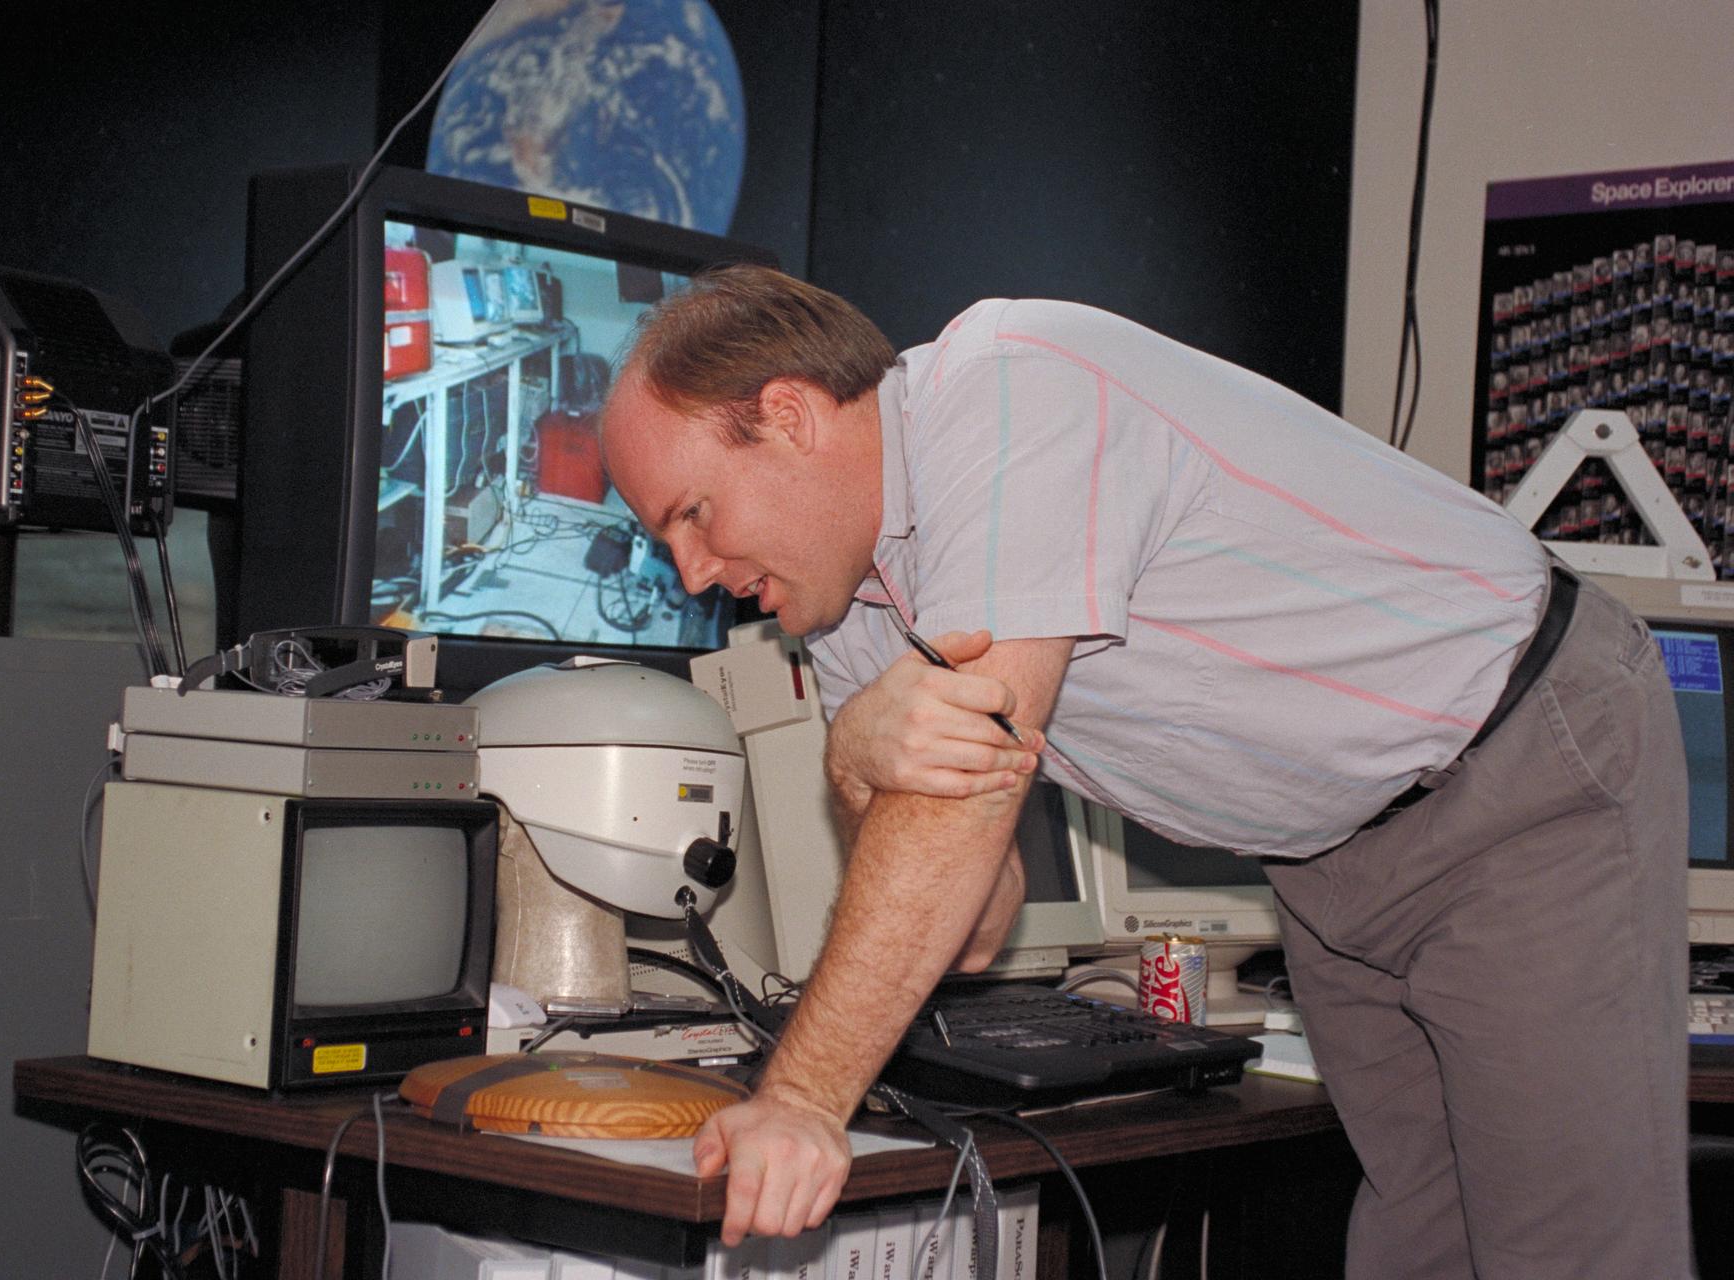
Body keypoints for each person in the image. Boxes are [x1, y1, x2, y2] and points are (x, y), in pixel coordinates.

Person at [599, 265, 1689, 1278]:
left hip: (1518, 768)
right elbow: (977, 921)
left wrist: (801, 1100)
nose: (691, 572)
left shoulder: (1007, 391)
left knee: (1570, 1253)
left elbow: (954, 814)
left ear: (788, 415)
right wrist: (852, 762)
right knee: (1421, 1244)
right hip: (1334, 856)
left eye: (693, 513)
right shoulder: (850, 613)